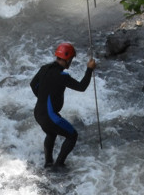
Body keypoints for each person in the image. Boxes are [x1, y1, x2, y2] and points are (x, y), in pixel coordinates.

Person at [31, 42, 97, 170]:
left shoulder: (44, 68)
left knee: (51, 133)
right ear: (68, 59)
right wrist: (89, 69)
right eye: (71, 59)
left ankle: (48, 163)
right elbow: (82, 87)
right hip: (50, 116)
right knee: (72, 135)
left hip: (38, 113)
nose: (71, 62)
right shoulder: (62, 76)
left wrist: (42, 98)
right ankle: (58, 165)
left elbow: (33, 84)